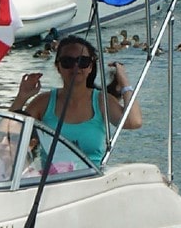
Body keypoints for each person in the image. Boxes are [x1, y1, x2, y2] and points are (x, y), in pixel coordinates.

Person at [10, 35, 140, 169]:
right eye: (67, 62)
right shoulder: (43, 102)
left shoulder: (102, 101)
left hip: (92, 181)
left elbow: (134, 122)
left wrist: (124, 81)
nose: (75, 67)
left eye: (82, 61)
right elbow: (8, 134)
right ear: (58, 67)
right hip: (50, 182)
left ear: (90, 67)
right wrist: (22, 96)